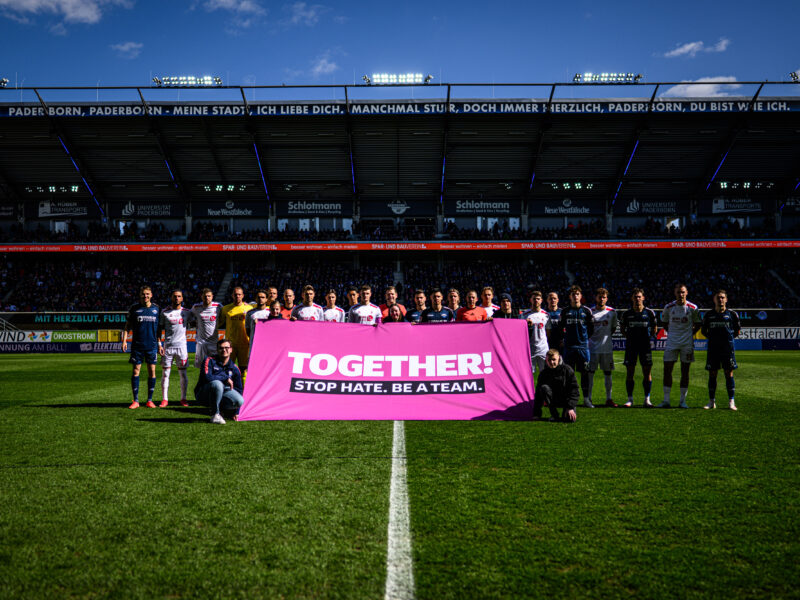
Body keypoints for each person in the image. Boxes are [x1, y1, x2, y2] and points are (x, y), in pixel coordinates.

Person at [659, 283, 702, 408]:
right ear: (675, 293)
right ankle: (666, 400)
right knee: (667, 371)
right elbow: (665, 324)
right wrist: (673, 334)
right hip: (672, 343)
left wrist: (689, 334)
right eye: (678, 292)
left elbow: (698, 324)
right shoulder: (668, 307)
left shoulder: (693, 308)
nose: (681, 294)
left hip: (687, 344)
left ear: (686, 293)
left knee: (685, 372)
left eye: (683, 292)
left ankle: (682, 401)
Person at [701, 289, 741, 411]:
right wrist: (714, 340)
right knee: (712, 373)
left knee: (729, 373)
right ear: (714, 299)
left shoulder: (732, 314)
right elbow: (704, 331)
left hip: (727, 349)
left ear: (726, 299)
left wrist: (726, 341)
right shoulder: (708, 315)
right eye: (718, 297)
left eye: (723, 297)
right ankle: (711, 402)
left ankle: (731, 402)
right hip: (713, 349)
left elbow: (737, 331)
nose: (720, 299)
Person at [122, 286, 160, 409]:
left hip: (152, 346)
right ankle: (136, 400)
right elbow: (127, 327)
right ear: (140, 295)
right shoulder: (134, 308)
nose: (145, 296)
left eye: (147, 294)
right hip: (137, 346)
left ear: (151, 295)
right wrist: (124, 341)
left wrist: (159, 344)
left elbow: (159, 330)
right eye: (143, 294)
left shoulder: (156, 309)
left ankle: (150, 400)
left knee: (152, 371)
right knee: (135, 371)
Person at [619, 288, 658, 407]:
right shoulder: (627, 314)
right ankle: (630, 399)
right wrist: (631, 338)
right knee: (630, 372)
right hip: (631, 347)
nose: (637, 299)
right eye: (635, 297)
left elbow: (654, 329)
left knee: (647, 373)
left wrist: (645, 339)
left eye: (639, 297)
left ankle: (647, 399)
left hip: (645, 347)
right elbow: (622, 329)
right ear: (632, 298)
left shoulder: (649, 313)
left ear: (643, 298)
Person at [558, 285, 594, 407]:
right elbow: (560, 327)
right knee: (568, 374)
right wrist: (564, 339)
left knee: (585, 373)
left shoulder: (587, 311)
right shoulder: (565, 311)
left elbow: (591, 329)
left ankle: (586, 399)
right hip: (569, 348)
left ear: (581, 296)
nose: (575, 296)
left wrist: (584, 339)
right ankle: (568, 399)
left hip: (583, 348)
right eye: (573, 294)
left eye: (577, 294)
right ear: (570, 296)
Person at [194, 338, 243, 425]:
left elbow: (239, 390)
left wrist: (237, 412)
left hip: (223, 392)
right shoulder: (209, 360)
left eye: (226, 347)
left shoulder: (235, 368)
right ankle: (215, 414)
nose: (224, 350)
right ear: (217, 350)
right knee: (217, 384)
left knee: (239, 401)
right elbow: (207, 377)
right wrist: (224, 378)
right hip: (203, 395)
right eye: (221, 348)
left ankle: (223, 411)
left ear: (231, 350)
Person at [158, 289, 193, 408]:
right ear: (171, 298)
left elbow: (196, 322)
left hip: (182, 347)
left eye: (179, 296)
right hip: (168, 347)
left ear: (182, 298)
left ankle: (183, 398)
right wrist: (159, 344)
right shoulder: (164, 312)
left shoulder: (187, 312)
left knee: (183, 374)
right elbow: (159, 329)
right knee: (165, 373)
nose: (177, 298)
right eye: (174, 296)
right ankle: (165, 399)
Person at [587, 288, 619, 407]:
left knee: (608, 373)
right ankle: (589, 398)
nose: (601, 299)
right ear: (596, 297)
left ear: (607, 298)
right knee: (590, 373)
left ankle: (609, 399)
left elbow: (613, 328)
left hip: (606, 348)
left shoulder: (612, 312)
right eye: (599, 297)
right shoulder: (590, 311)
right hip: (592, 348)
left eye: (604, 297)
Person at [533, 349, 579, 422]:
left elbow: (575, 390)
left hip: (566, 400)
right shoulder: (543, 374)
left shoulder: (567, 370)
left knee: (570, 420)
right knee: (543, 388)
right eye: (549, 360)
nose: (552, 362)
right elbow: (538, 395)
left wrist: (570, 407)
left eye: (554, 360)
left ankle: (566, 411)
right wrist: (536, 414)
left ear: (559, 359)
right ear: (546, 360)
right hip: (552, 400)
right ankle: (554, 415)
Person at [219, 286, 253, 380]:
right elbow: (219, 323)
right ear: (232, 295)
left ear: (243, 296)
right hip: (230, 344)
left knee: (244, 369)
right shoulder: (226, 309)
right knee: (227, 368)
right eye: (235, 294)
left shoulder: (249, 308)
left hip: (244, 343)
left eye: (239, 294)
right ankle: (228, 390)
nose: (237, 296)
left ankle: (243, 393)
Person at [191, 288, 223, 369]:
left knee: (215, 367)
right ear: (201, 297)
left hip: (214, 343)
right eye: (205, 296)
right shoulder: (196, 307)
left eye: (209, 296)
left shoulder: (218, 307)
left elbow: (226, 314)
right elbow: (188, 315)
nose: (207, 298)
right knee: (201, 367)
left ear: (212, 297)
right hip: (201, 343)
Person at [522, 290, 551, 377]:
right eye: (534, 299)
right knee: (528, 375)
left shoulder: (546, 315)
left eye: (538, 299)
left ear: (541, 300)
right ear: (530, 300)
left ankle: (545, 390)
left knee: (546, 374)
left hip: (543, 349)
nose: (536, 301)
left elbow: (548, 333)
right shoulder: (524, 315)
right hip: (530, 349)